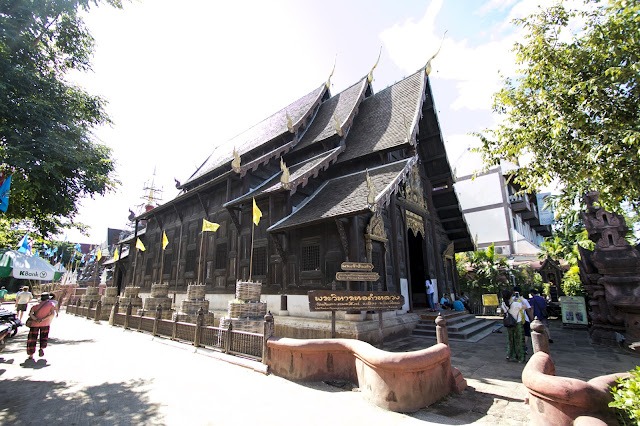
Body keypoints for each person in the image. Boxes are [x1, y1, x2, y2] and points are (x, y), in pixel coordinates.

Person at [26, 292, 56, 359]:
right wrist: (43, 319)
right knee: (44, 337)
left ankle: (31, 353)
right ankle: (41, 348)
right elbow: (52, 314)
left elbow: (30, 314)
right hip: (45, 323)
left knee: (32, 339)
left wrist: (36, 319)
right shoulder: (51, 304)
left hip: (34, 324)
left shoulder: (35, 305)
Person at [501, 289, 525, 362]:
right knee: (519, 340)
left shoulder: (503, 304)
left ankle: (510, 355)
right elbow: (525, 307)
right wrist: (520, 299)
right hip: (517, 323)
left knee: (510, 340)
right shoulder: (516, 304)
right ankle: (520, 357)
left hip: (509, 323)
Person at [512, 286, 533, 354]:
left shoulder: (512, 300)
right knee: (526, 333)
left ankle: (518, 347)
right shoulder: (524, 300)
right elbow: (529, 309)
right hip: (525, 319)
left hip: (516, 319)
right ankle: (524, 346)